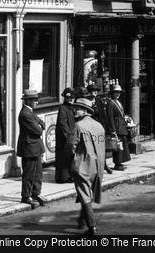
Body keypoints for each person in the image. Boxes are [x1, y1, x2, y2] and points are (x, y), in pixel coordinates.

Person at [67, 97, 105, 235]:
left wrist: (70, 162)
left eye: (77, 108)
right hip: (97, 165)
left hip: (82, 165)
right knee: (86, 193)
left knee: (84, 195)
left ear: (84, 111)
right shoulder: (99, 126)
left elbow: (71, 146)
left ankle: (91, 226)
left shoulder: (79, 126)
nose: (74, 111)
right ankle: (81, 220)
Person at [17, 89, 46, 209]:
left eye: (37, 99)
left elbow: (42, 123)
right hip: (29, 148)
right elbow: (38, 130)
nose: (36, 102)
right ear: (27, 101)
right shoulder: (25, 113)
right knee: (29, 174)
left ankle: (35, 194)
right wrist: (39, 126)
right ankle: (26, 196)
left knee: (38, 173)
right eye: (34, 100)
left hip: (35, 147)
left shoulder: (30, 112)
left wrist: (40, 125)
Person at [87, 84, 113, 175]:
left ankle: (104, 165)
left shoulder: (98, 101)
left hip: (98, 128)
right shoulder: (86, 101)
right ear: (89, 92)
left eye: (96, 91)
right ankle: (92, 168)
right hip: (89, 128)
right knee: (91, 149)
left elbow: (103, 116)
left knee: (101, 148)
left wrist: (108, 129)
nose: (95, 92)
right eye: (93, 91)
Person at [55, 88, 76, 183]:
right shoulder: (63, 108)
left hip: (70, 136)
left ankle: (69, 175)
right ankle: (63, 177)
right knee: (63, 157)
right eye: (68, 98)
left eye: (72, 97)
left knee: (70, 157)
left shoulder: (72, 108)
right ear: (65, 98)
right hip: (64, 138)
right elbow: (62, 123)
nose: (70, 99)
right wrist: (68, 136)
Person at [107, 85, 131, 171]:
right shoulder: (111, 103)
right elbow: (110, 117)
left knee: (122, 145)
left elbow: (122, 114)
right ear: (112, 93)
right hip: (117, 127)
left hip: (122, 126)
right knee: (118, 146)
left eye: (119, 93)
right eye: (116, 93)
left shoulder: (118, 102)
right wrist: (113, 129)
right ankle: (117, 163)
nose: (117, 94)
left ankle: (121, 162)